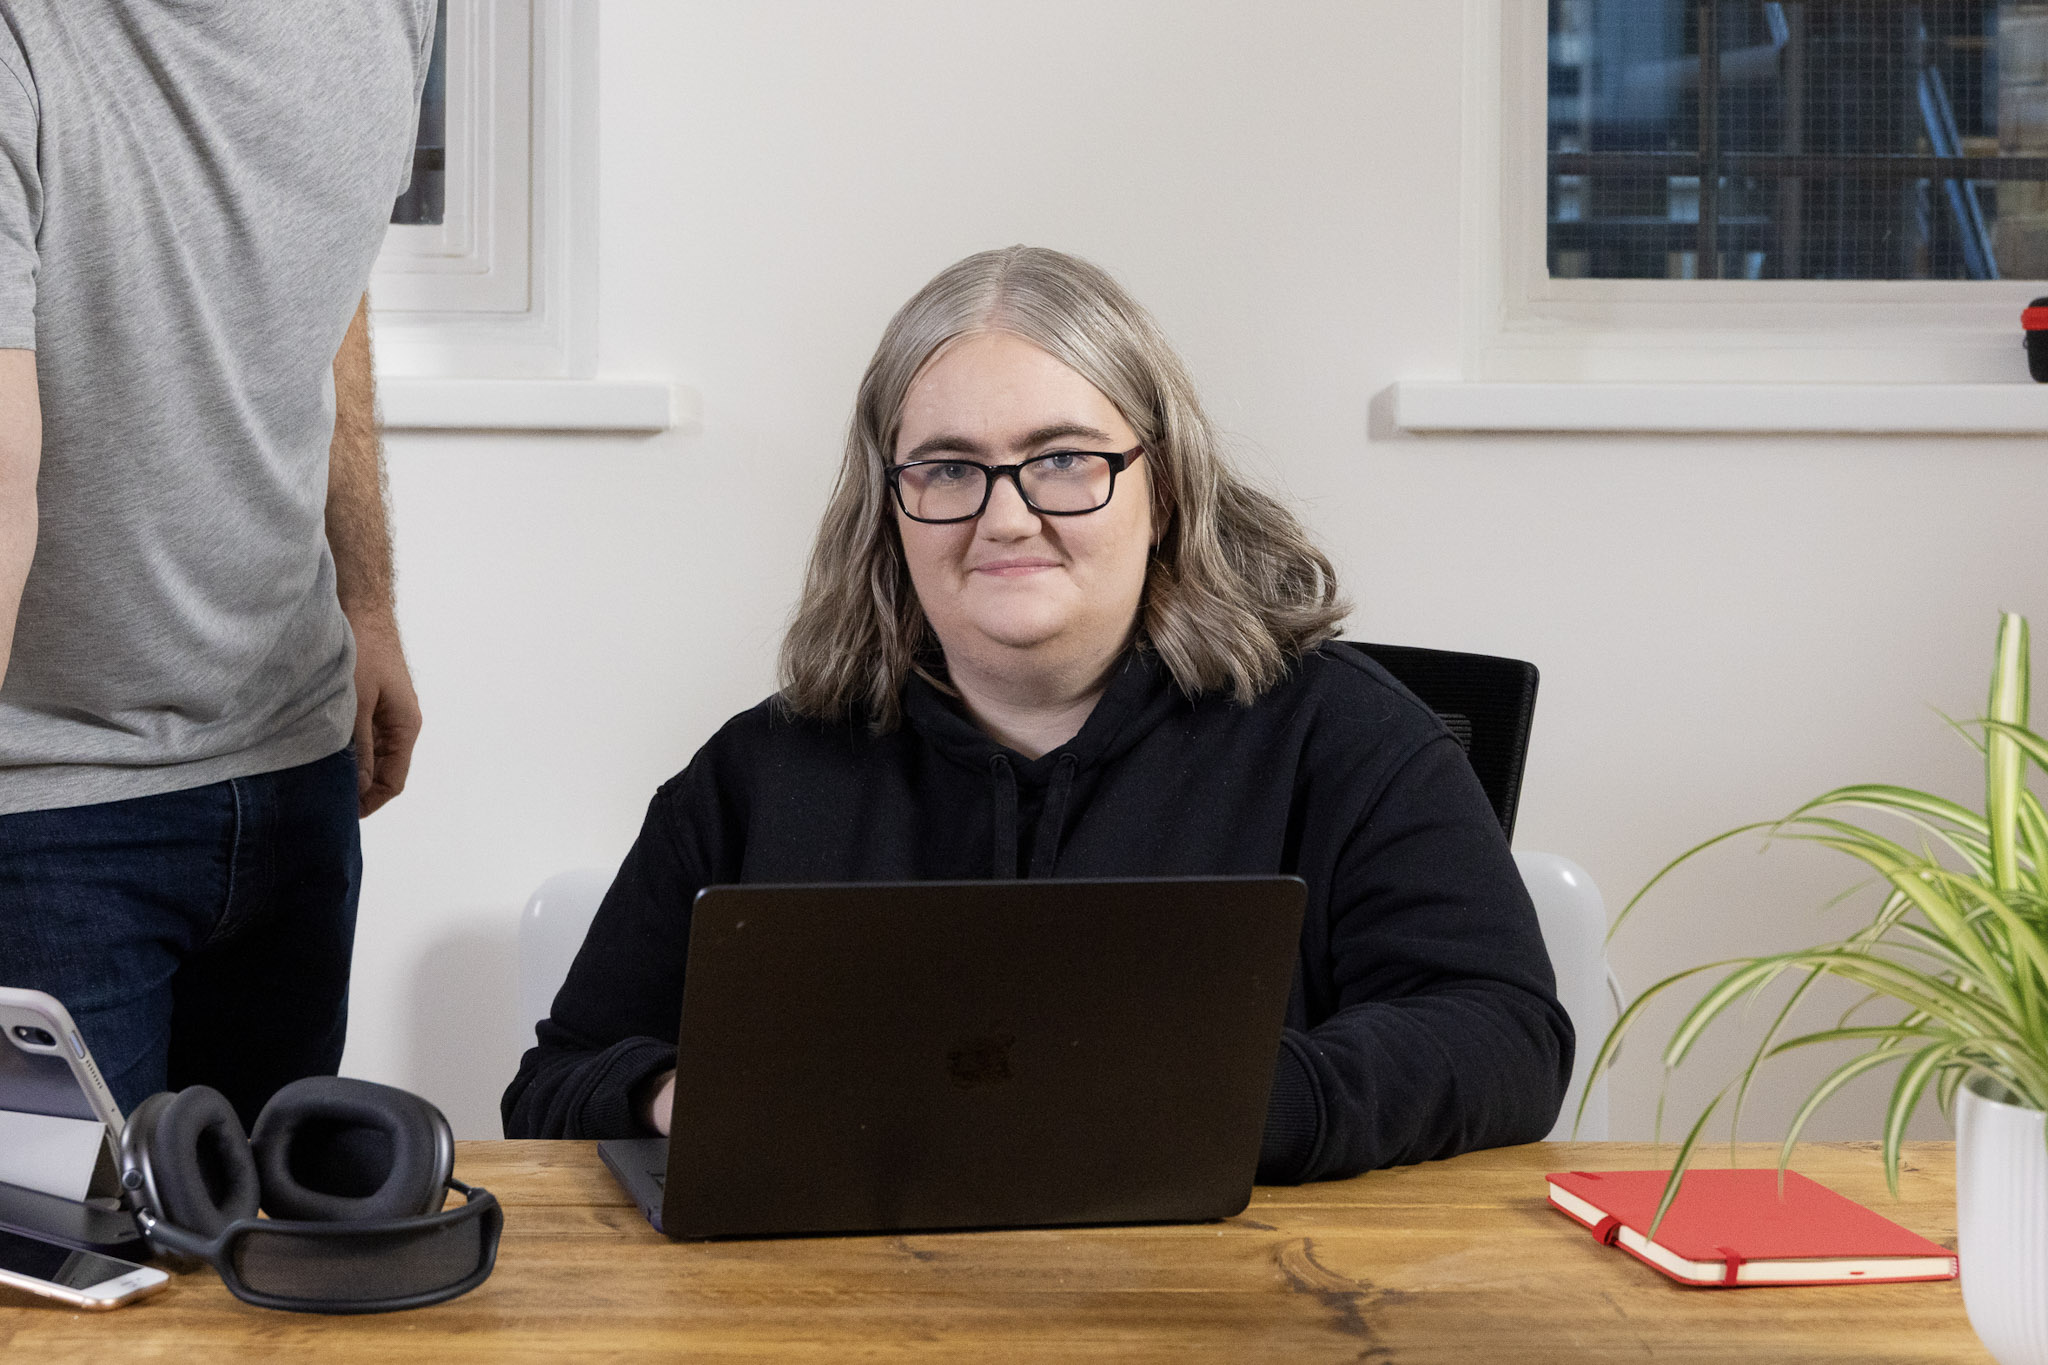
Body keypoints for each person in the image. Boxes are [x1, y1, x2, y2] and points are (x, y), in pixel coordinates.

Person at [502, 246, 1572, 1181]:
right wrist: (681, 1098)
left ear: (1166, 485)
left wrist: (1200, 1103)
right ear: (891, 506)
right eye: (950, 468)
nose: (1005, 517)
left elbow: (1502, 1040)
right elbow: (554, 1085)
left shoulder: (1345, 739)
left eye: (1064, 460)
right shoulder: (757, 772)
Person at [0, 3, 436, 1126]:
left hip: (294, 761)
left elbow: (328, 288)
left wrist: (368, 603)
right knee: (67, 1281)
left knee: (272, 1264)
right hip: (48, 804)